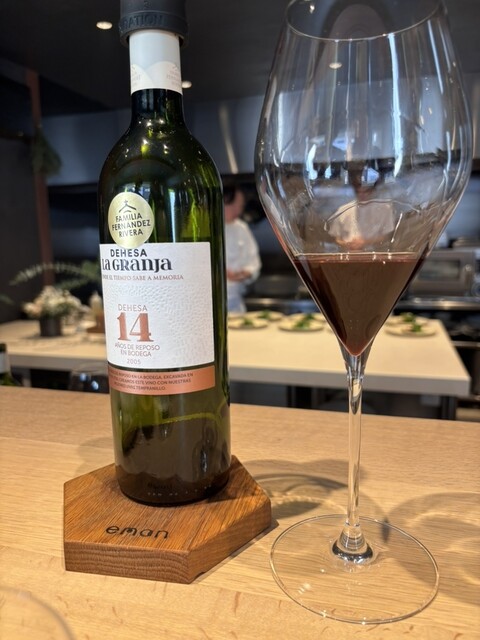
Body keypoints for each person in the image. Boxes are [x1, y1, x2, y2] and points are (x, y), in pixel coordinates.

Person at [223, 183, 261, 313]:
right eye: (235, 205)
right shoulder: (204, 229)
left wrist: (243, 274)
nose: (238, 211)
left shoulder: (241, 228)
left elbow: (254, 263)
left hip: (235, 305)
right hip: (205, 305)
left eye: (240, 206)